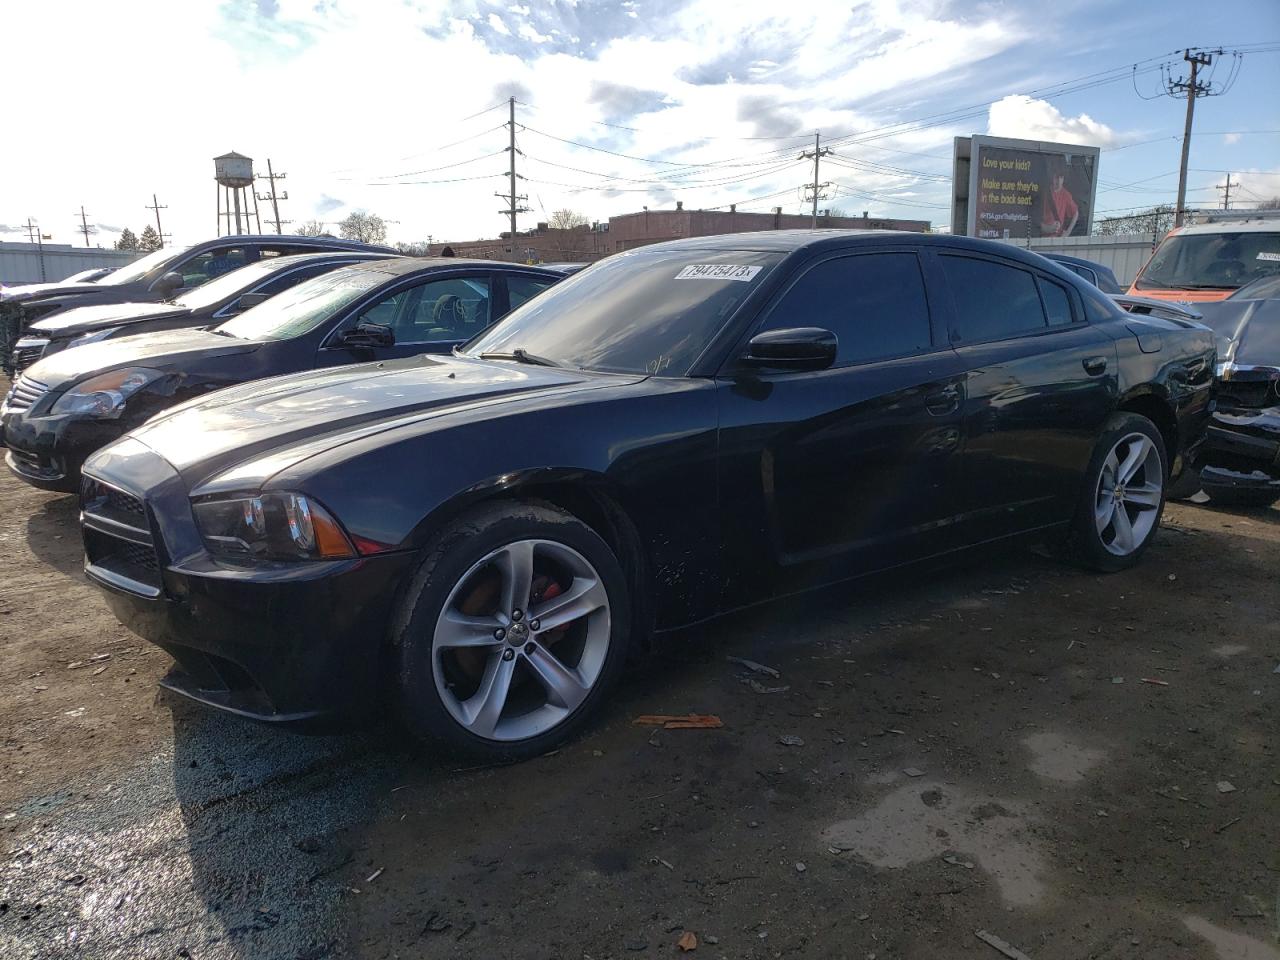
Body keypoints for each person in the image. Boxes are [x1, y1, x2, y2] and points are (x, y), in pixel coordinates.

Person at [1040, 162, 1079, 238]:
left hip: (1057, 239)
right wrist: (1045, 228)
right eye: (1056, 177)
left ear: (1063, 179)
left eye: (1061, 177)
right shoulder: (1044, 193)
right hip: (1041, 237)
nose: (1058, 181)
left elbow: (1076, 213)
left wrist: (1067, 233)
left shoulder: (1066, 195)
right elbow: (1035, 217)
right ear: (1052, 178)